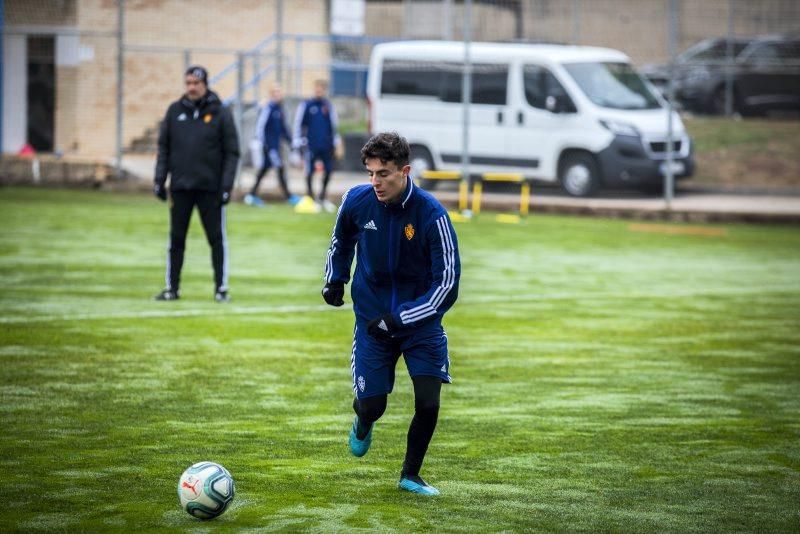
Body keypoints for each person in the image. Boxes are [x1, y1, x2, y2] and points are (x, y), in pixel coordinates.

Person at [321, 132, 461, 496]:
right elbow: (341, 241)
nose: (375, 182)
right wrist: (335, 279)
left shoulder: (432, 216)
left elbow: (447, 285)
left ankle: (410, 475)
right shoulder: (357, 200)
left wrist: (401, 319)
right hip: (372, 321)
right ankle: (363, 421)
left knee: (428, 402)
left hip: (420, 325)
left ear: (406, 171)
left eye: (383, 174)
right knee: (372, 406)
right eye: (370, 173)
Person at [153, 65, 240, 302]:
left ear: (205, 84)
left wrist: (226, 187)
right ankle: (172, 288)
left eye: (196, 83)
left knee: (216, 239)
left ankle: (221, 289)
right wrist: (160, 180)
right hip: (180, 187)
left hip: (210, 189)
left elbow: (232, 152)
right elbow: (164, 148)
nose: (191, 87)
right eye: (188, 83)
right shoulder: (174, 111)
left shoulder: (220, 112)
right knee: (176, 239)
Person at [292, 79, 341, 213]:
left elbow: (334, 126)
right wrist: (298, 143)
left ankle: (322, 197)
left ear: (324, 90)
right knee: (310, 171)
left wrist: (336, 143)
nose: (319, 91)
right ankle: (311, 198)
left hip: (326, 145)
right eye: (317, 88)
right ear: (314, 89)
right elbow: (299, 124)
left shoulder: (328, 106)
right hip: (311, 145)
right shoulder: (307, 105)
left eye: (322, 89)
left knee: (329, 170)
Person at [245, 85, 299, 207]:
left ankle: (251, 195)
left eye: (279, 92)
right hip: (269, 147)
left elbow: (283, 129)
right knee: (280, 168)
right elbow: (260, 126)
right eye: (275, 93)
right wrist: (264, 144)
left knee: (264, 170)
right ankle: (288, 196)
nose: (278, 95)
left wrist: (291, 142)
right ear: (271, 95)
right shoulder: (268, 108)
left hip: (275, 146)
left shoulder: (279, 109)